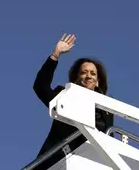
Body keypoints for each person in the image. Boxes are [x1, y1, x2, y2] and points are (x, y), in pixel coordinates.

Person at [33, 33, 114, 161]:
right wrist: (55, 55)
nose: (88, 76)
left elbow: (109, 139)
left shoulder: (106, 110)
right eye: (84, 72)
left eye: (93, 73)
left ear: (97, 81)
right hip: (57, 162)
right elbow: (40, 87)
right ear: (77, 78)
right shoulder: (65, 96)